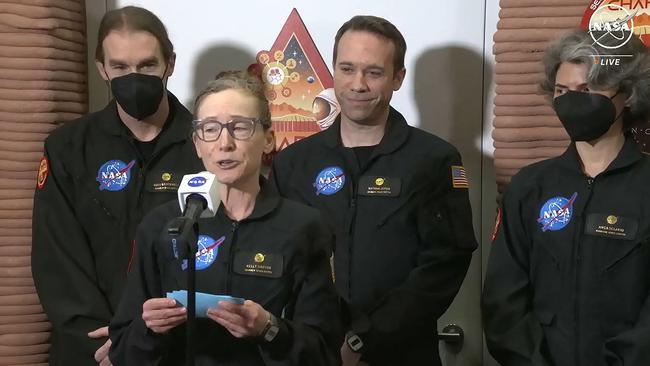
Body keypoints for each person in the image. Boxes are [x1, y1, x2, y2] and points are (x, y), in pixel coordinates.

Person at [270, 15, 478, 366]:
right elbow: (279, 259)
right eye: (347, 68)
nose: (358, 84)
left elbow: (444, 263)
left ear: (398, 78)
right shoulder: (292, 163)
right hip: (310, 351)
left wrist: (363, 340)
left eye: (374, 72)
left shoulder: (433, 160)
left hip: (402, 353)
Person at [109, 70, 341, 365]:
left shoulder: (304, 227)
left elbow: (325, 354)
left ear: (268, 140)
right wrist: (149, 329)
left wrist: (268, 329)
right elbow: (122, 351)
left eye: (240, 127)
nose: (225, 143)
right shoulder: (163, 225)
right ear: (196, 143)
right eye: (210, 129)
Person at [31, 6, 203, 365]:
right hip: (91, 348)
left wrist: (143, 335)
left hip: (179, 346)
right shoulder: (68, 147)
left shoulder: (206, 146)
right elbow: (56, 254)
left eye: (147, 65)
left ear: (169, 64)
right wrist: (105, 338)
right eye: (121, 67)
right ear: (102, 69)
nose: (134, 76)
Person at [483, 29, 650, 366]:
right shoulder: (529, 186)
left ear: (628, 95)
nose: (572, 101)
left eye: (587, 90)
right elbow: (504, 296)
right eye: (562, 90)